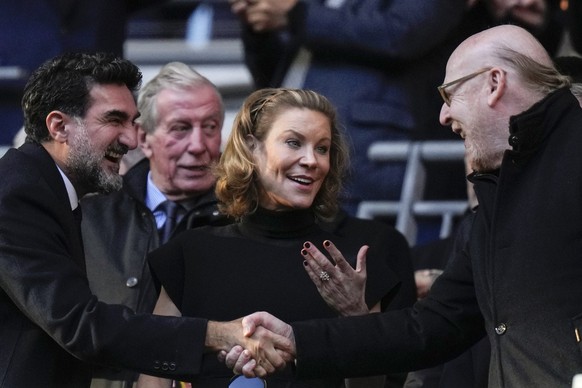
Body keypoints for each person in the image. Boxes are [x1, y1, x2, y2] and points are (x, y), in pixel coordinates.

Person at [226, 24, 582, 387]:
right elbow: (429, 328)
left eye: (449, 94)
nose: (443, 117)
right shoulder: (494, 204)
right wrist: (297, 341)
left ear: (494, 84)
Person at [0, 51, 292, 388]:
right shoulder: (18, 196)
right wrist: (218, 334)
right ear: (59, 126)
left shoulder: (46, 189)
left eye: (131, 121)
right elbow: (81, 325)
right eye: (114, 120)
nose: (129, 139)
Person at [136, 88, 416, 387]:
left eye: (322, 148)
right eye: (294, 143)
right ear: (251, 148)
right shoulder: (190, 254)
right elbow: (154, 377)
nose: (311, 160)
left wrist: (356, 316)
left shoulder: (350, 261)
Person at [80, 61, 232, 387]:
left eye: (210, 127)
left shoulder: (243, 222)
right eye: (180, 128)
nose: (198, 145)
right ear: (144, 138)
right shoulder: (88, 215)